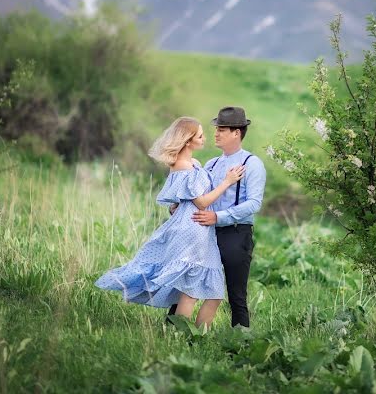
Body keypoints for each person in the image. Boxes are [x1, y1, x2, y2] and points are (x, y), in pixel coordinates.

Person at [94, 117, 245, 328]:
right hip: (195, 229)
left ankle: (194, 336)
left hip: (198, 227)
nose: (204, 138)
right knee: (192, 291)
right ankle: (182, 335)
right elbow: (201, 202)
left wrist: (177, 206)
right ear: (187, 141)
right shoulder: (184, 167)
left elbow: (179, 199)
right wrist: (227, 182)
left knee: (213, 291)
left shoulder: (193, 164)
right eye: (200, 136)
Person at [169, 106, 267, 327]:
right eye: (216, 128)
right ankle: (174, 330)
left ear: (237, 132)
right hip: (205, 233)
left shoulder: (252, 164)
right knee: (187, 281)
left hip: (236, 233)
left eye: (222, 128)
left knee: (236, 293)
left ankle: (239, 341)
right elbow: (199, 196)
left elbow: (254, 203)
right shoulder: (211, 164)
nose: (216, 132)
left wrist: (219, 217)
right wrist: (178, 207)